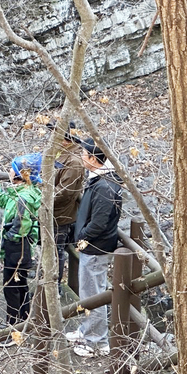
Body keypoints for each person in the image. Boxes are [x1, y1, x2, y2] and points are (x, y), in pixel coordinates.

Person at [65, 138, 123, 357]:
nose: (81, 157)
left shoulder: (105, 186)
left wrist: (81, 240)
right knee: (90, 291)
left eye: (83, 154)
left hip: (95, 247)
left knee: (94, 294)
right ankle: (87, 331)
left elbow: (98, 223)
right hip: (96, 245)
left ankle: (95, 342)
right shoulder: (103, 180)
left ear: (92, 158)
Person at [0, 154, 42, 325]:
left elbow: (21, 224)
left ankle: (13, 326)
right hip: (22, 248)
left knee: (11, 288)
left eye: (12, 168)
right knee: (21, 285)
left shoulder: (23, 197)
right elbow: (7, 203)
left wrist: (7, 236)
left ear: (20, 174)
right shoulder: (24, 191)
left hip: (17, 249)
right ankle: (24, 320)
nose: (9, 171)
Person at [53, 123, 85, 288]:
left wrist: (40, 198)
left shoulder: (73, 161)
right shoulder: (60, 153)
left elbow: (64, 191)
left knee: (56, 253)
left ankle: (54, 288)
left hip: (60, 214)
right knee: (51, 252)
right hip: (53, 211)